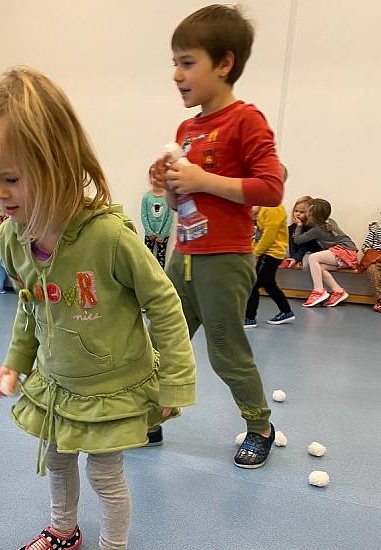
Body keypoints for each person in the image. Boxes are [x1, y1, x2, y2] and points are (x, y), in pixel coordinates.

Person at [0, 67, 195, 550]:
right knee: (58, 458)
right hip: (58, 382)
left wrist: (174, 381)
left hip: (112, 386)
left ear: (59, 166)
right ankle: (64, 530)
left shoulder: (109, 237)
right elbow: (30, 303)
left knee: (105, 475)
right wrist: (15, 361)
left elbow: (164, 303)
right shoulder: (13, 236)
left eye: (13, 180)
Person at [153, 3, 284, 468]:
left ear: (224, 64)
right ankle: (154, 414)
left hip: (224, 258)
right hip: (182, 254)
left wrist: (202, 181)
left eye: (187, 62)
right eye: (175, 62)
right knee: (162, 342)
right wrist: (170, 186)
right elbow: (179, 201)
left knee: (226, 350)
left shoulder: (246, 120)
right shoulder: (187, 128)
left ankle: (259, 425)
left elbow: (271, 187)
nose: (176, 74)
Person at [244, 167, 293, 327]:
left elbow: (269, 236)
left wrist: (256, 253)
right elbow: (260, 232)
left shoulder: (274, 207)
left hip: (271, 253)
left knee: (254, 283)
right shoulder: (264, 205)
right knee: (269, 284)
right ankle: (286, 311)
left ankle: (249, 317)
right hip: (266, 251)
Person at [293, 198, 358, 308]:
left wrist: (299, 225)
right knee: (320, 267)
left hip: (345, 252)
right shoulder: (329, 221)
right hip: (348, 254)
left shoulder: (317, 229)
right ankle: (338, 291)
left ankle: (318, 291)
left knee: (313, 258)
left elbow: (298, 240)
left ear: (312, 215)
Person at [141, 163, 174, 268]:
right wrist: (149, 232)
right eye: (153, 175)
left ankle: (160, 280)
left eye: (159, 175)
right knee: (147, 258)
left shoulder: (168, 197)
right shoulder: (146, 197)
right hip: (149, 234)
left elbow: (170, 216)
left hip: (163, 235)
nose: (156, 178)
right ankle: (148, 278)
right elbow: (144, 215)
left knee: (161, 259)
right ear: (150, 178)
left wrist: (162, 234)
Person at [285, 195, 321, 270]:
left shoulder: (311, 229)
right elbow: (292, 244)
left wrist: (297, 259)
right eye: (296, 211)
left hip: (310, 251)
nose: (297, 214)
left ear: (309, 214)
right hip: (299, 251)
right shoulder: (291, 228)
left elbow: (304, 247)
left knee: (306, 264)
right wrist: (293, 258)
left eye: (301, 212)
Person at [358, 213, 381, 313]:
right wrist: (371, 252)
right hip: (376, 258)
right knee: (372, 270)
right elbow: (365, 245)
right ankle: (380, 300)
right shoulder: (375, 229)